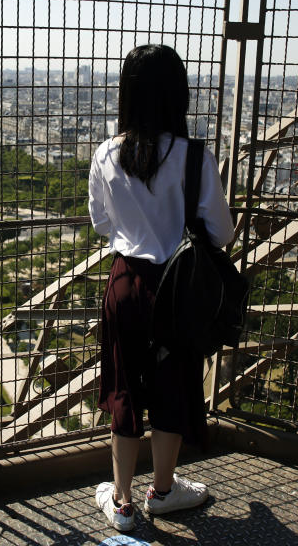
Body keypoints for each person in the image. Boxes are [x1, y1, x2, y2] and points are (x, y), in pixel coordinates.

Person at [87, 44, 235, 532]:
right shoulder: (195, 157)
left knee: (125, 390)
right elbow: (222, 234)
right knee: (173, 388)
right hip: (181, 290)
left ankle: (122, 502)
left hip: (127, 283)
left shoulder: (107, 153)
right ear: (179, 95)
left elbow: (100, 223)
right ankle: (165, 491)